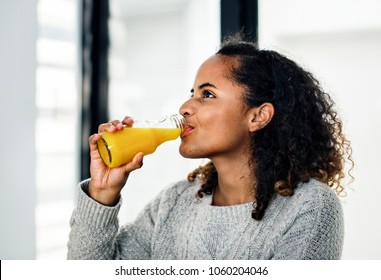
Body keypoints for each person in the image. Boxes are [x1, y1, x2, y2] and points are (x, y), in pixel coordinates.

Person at [67, 34, 353, 260]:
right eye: (192, 93)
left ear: (258, 116)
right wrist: (102, 193)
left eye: (207, 94)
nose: (185, 107)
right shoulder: (174, 202)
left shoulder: (310, 208)